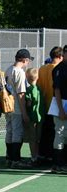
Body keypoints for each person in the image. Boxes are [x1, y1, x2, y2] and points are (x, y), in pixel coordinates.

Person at [5, 49, 33, 168]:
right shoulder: (19, 72)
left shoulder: (8, 69)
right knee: (17, 132)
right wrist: (24, 113)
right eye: (28, 60)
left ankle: (9, 157)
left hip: (8, 105)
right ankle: (15, 159)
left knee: (10, 131)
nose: (28, 62)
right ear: (24, 60)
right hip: (16, 106)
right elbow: (21, 94)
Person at [37, 46, 63, 163]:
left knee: (45, 131)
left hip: (44, 104)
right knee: (56, 132)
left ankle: (43, 154)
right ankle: (53, 155)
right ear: (60, 57)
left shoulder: (42, 68)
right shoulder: (58, 69)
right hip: (55, 104)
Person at [50, 45, 67, 173]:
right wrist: (61, 109)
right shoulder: (59, 69)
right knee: (60, 133)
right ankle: (58, 163)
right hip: (61, 103)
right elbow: (57, 90)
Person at [24, 68, 45, 166]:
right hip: (40, 116)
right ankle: (37, 155)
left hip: (32, 117)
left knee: (32, 138)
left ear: (27, 78)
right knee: (38, 138)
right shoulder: (39, 89)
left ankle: (33, 158)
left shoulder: (29, 90)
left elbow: (29, 103)